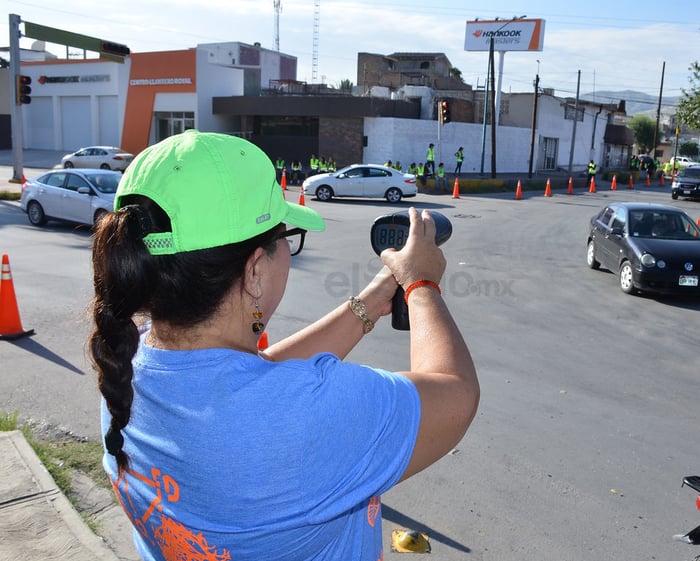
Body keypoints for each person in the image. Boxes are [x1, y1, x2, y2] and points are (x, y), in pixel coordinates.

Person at [88, 130, 479, 561]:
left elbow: (255, 380)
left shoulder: (128, 359)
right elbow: (455, 395)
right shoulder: (309, 416)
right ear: (255, 270)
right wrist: (422, 284)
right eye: (286, 239)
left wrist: (367, 304)